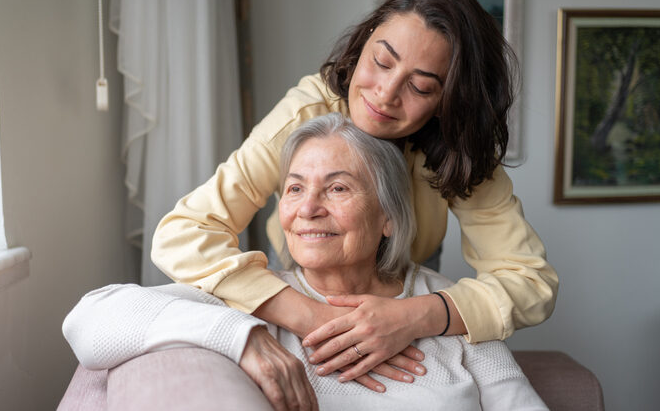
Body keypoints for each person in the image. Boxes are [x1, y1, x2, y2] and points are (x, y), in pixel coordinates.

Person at [151, 0, 558, 389]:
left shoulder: (461, 150)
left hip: (408, 288)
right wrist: (308, 314)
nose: (384, 94)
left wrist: (413, 316)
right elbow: (182, 234)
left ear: (449, 100)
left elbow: (531, 282)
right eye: (382, 61)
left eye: (420, 86)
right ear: (364, 42)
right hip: (296, 282)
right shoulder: (305, 113)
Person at [64, 114, 548, 410]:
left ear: (388, 217)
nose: (307, 208)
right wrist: (243, 337)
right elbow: (88, 318)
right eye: (295, 188)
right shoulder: (253, 297)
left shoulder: (448, 309)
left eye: (337, 188)